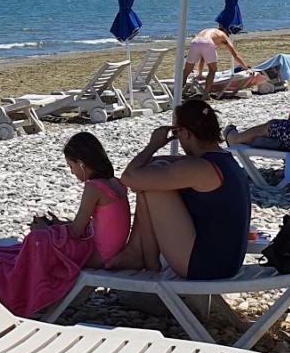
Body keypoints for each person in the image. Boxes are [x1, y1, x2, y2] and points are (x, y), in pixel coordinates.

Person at [104, 99, 250, 280]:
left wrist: (153, 144)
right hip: (225, 263)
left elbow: (129, 178)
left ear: (186, 133)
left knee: (151, 182)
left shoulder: (200, 168)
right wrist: (158, 161)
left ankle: (141, 256)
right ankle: (136, 253)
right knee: (154, 174)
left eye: (176, 133)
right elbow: (159, 165)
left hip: (205, 267)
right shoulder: (222, 160)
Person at [30, 132, 130, 268]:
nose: (72, 172)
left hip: (99, 256)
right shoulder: (116, 183)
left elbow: (76, 231)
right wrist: (59, 224)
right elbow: (102, 226)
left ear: (81, 164)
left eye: (71, 166)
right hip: (114, 252)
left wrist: (47, 230)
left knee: (37, 241)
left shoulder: (94, 187)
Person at [181, 27, 248, 98]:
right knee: (212, 70)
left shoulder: (209, 31)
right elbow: (235, 55)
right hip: (207, 42)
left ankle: (177, 92)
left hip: (195, 42)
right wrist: (246, 67)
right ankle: (205, 94)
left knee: (187, 70)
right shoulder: (223, 35)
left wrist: (199, 74)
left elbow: (202, 59)